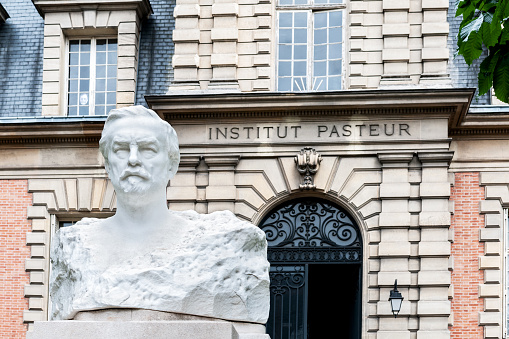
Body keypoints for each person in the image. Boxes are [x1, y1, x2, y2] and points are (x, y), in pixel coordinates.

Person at [49, 106, 270, 324]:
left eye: (148, 149)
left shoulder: (223, 243)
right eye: (121, 149)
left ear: (172, 164)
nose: (133, 160)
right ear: (107, 164)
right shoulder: (75, 243)